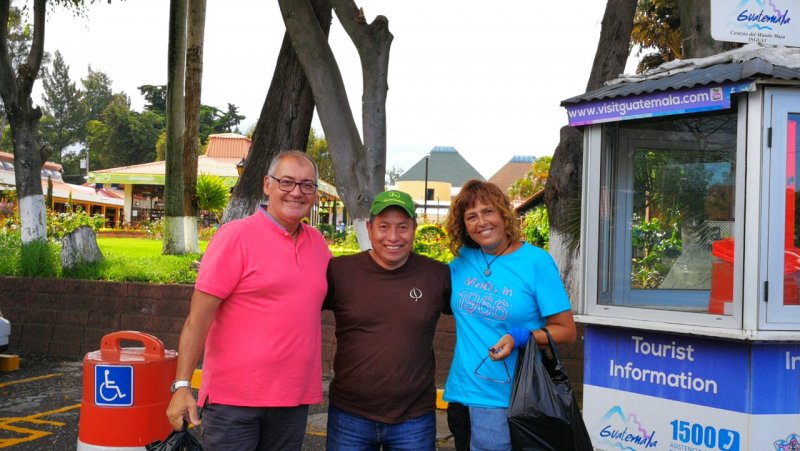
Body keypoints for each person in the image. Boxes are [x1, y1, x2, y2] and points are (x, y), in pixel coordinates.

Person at [166, 150, 332, 451]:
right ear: (267, 185)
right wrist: (181, 386)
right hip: (234, 404)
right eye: (287, 182)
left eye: (307, 185)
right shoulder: (235, 237)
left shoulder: (318, 244)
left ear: (315, 194)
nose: (297, 191)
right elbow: (198, 319)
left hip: (292, 401)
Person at [442, 180, 577, 451]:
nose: (481, 222)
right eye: (471, 216)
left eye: (488, 211)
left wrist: (520, 337)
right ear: (464, 225)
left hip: (511, 400)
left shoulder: (536, 262)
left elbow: (567, 331)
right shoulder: (462, 261)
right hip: (460, 395)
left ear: (504, 214)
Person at [324, 190, 451, 451]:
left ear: (414, 228)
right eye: (384, 227)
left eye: (402, 227)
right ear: (369, 228)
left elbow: (479, 314)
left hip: (414, 417)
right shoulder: (340, 271)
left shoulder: (437, 275)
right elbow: (294, 308)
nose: (393, 237)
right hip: (350, 415)